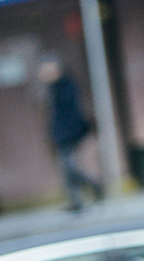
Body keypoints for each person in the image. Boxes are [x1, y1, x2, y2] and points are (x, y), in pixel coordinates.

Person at [41, 57, 101, 210]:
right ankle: (76, 201)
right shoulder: (54, 88)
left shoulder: (65, 86)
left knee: (69, 168)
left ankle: (94, 186)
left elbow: (69, 113)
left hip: (68, 133)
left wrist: (67, 133)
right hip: (62, 133)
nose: (45, 74)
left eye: (48, 71)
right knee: (66, 169)